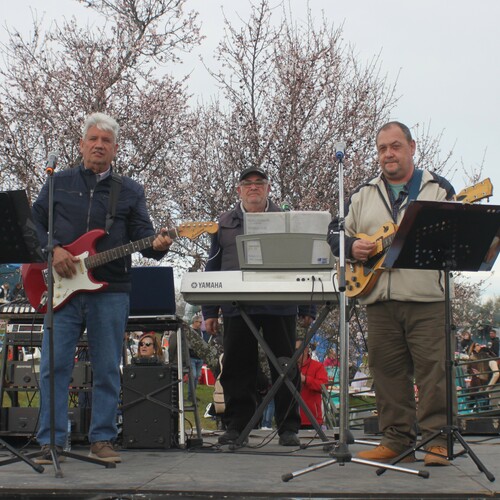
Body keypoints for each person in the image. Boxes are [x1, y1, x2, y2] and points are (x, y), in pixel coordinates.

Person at [32, 112, 172, 464]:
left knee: (108, 366)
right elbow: (32, 223)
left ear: (115, 149)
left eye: (105, 141)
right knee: (54, 366)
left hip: (111, 289)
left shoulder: (129, 191)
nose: (98, 145)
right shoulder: (57, 183)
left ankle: (103, 439)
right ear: (81, 144)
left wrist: (159, 244)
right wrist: (53, 250)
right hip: (62, 289)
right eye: (92, 139)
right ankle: (52, 442)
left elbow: (143, 236)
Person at [327, 121, 455, 466]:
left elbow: (454, 235)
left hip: (426, 298)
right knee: (385, 374)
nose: (388, 154)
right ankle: (395, 440)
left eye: (395, 146)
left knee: (434, 373)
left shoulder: (438, 188)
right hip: (378, 299)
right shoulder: (362, 192)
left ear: (412, 148)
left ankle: (436, 442)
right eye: (383, 148)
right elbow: (335, 234)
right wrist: (352, 246)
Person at [202, 166, 315, 447]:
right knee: (238, 366)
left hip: (281, 304)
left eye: (259, 183)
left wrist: (307, 308)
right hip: (236, 305)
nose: (253, 187)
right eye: (247, 183)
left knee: (285, 365)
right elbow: (212, 267)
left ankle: (288, 427)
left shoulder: (284, 219)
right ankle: (237, 426)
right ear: (239, 189)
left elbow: (300, 262)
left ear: (268, 188)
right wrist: (208, 311)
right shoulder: (223, 223)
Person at [296, 338, 328, 429]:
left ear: (306, 350)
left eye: (296, 349)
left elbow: (323, 386)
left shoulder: (318, 366)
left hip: (311, 420)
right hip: (291, 419)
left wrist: (305, 379)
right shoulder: (290, 367)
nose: (294, 352)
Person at [187, 315, 204, 402]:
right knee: (193, 376)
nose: (201, 324)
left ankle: (193, 395)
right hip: (192, 357)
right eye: (199, 322)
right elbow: (188, 344)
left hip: (199, 357)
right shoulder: (189, 331)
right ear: (194, 322)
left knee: (197, 377)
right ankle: (190, 395)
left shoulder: (200, 331)